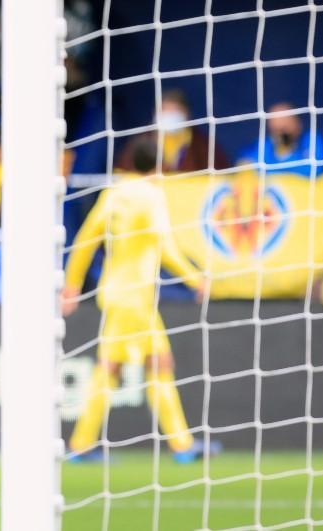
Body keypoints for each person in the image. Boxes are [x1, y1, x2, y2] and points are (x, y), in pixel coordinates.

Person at [61, 139, 212, 464]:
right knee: (117, 367)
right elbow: (166, 246)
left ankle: (179, 444)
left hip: (115, 292)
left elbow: (85, 239)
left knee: (150, 363)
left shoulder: (113, 193)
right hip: (137, 297)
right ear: (159, 167)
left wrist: (72, 284)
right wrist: (194, 278)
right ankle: (84, 444)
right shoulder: (152, 195)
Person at [118, 89, 229, 174]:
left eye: (175, 110)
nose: (169, 115)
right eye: (165, 110)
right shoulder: (140, 142)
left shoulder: (203, 145)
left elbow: (220, 176)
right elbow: (122, 173)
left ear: (187, 114)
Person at [237, 101, 323, 176]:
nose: (281, 134)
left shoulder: (311, 141)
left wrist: (274, 173)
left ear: (297, 125)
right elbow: (247, 165)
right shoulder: (265, 145)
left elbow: (314, 170)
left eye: (285, 127)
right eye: (276, 129)